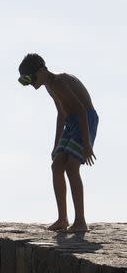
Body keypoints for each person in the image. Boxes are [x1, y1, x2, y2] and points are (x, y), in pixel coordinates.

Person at [18, 53, 99, 233]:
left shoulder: (59, 82)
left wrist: (87, 144)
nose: (30, 84)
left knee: (71, 166)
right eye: (25, 81)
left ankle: (80, 221)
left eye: (30, 79)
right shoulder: (49, 86)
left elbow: (82, 112)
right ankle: (62, 219)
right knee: (56, 165)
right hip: (71, 122)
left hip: (85, 119)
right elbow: (61, 115)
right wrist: (56, 145)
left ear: (41, 70)